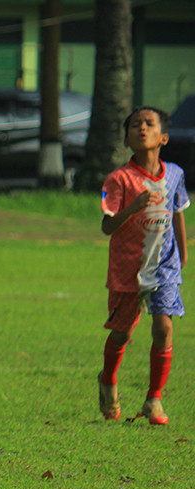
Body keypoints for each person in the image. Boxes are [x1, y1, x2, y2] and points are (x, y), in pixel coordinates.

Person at [98, 105, 188, 424]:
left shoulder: (175, 174)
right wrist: (133, 208)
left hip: (164, 267)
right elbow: (107, 227)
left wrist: (183, 252)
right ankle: (108, 380)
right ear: (126, 139)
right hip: (127, 270)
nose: (142, 128)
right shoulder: (119, 179)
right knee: (122, 334)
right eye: (135, 125)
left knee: (164, 326)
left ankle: (154, 399)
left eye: (149, 124)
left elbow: (177, 211)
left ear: (162, 137)